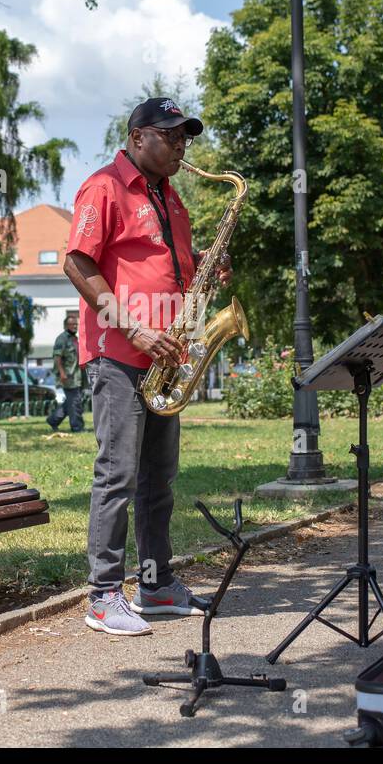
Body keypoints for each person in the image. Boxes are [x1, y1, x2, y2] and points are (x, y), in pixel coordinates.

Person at [62, 97, 232, 637]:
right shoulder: (104, 187)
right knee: (118, 473)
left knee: (158, 479)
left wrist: (203, 273)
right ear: (137, 137)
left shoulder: (170, 198)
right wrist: (132, 326)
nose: (182, 146)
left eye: (185, 137)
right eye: (172, 135)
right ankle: (103, 595)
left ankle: (155, 585)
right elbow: (76, 261)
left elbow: (168, 271)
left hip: (166, 356)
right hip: (120, 353)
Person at [46, 312, 85, 432]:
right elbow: (57, 357)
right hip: (67, 376)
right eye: (71, 324)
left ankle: (53, 419)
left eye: (76, 324)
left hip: (77, 376)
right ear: (65, 326)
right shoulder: (61, 339)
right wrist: (62, 373)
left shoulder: (75, 339)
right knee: (75, 401)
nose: (74, 326)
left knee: (71, 401)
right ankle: (77, 427)